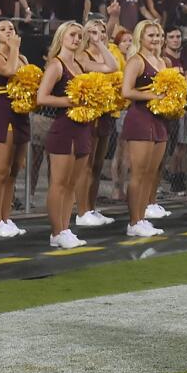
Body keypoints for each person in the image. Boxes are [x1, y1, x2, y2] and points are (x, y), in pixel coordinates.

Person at [36, 21, 94, 249]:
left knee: (72, 184)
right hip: (64, 128)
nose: (77, 39)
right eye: (72, 35)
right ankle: (56, 232)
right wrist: (68, 101)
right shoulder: (56, 65)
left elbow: (109, 66)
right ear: (61, 37)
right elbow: (42, 97)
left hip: (82, 128)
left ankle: (65, 228)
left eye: (80, 36)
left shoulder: (80, 64)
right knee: (59, 183)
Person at [120, 20, 169, 237]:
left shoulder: (162, 61)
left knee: (151, 173)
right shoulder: (135, 61)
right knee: (138, 174)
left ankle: (143, 217)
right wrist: (152, 96)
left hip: (159, 119)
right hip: (140, 118)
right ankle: (134, 222)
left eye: (158, 35)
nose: (155, 39)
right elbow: (126, 91)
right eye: (151, 35)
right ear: (140, 37)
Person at [0, 18, 30, 238]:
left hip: (21, 114)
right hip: (2, 114)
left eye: (11, 28)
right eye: (3, 29)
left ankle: (6, 218)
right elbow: (10, 71)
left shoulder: (22, 57)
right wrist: (14, 48)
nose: (9, 31)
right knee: (0, 171)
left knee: (13, 171)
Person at [73, 13, 120, 228]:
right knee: (87, 165)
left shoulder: (106, 52)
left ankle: (91, 207)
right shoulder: (81, 56)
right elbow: (108, 69)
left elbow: (113, 66)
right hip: (89, 114)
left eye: (101, 32)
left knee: (99, 164)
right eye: (93, 32)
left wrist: (102, 44)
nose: (98, 35)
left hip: (106, 113)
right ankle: (82, 211)